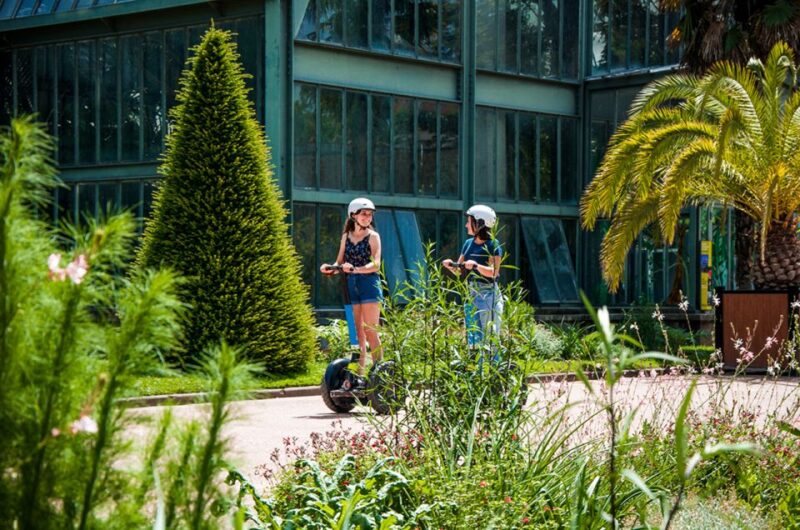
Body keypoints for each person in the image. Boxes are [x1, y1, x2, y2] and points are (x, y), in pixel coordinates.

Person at [320, 198, 383, 384]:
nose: (367, 217)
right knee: (357, 334)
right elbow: (339, 261)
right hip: (351, 285)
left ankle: (379, 372)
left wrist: (355, 269)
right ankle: (357, 375)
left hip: (369, 284)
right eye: (364, 214)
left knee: (370, 330)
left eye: (370, 214)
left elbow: (376, 264)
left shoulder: (373, 237)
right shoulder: (346, 237)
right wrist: (330, 267)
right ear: (353, 215)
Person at [442, 204, 503, 352]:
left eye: (469, 221)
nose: (466, 225)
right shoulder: (468, 244)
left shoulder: (493, 245)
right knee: (473, 337)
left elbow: (494, 273)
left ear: (480, 223)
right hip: (471, 294)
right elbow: (460, 270)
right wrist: (452, 265)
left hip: (488, 295)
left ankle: (494, 367)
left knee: (489, 336)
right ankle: (477, 370)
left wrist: (476, 266)